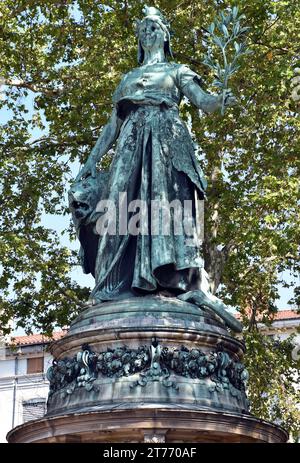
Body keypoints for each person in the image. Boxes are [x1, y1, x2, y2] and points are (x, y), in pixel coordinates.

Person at [69, 6, 242, 332]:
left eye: (154, 27)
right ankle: (110, 285)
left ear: (165, 34)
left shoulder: (178, 70)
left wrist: (220, 100)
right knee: (118, 212)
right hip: (131, 146)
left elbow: (202, 101)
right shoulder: (128, 78)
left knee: (167, 212)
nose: (148, 32)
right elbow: (112, 127)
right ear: (139, 37)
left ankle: (171, 279)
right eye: (143, 28)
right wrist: (89, 164)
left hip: (167, 143)